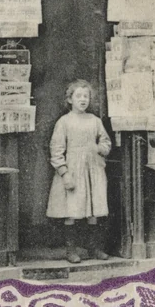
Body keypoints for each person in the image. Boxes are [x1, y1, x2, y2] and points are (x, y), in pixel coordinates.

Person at [45, 79, 112, 264]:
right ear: (70, 99)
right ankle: (71, 250)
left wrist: (99, 149)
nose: (83, 99)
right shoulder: (64, 122)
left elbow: (106, 142)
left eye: (86, 96)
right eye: (78, 96)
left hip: (93, 170)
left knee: (93, 210)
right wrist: (64, 173)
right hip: (73, 169)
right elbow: (56, 149)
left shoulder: (95, 121)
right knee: (72, 211)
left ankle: (93, 248)